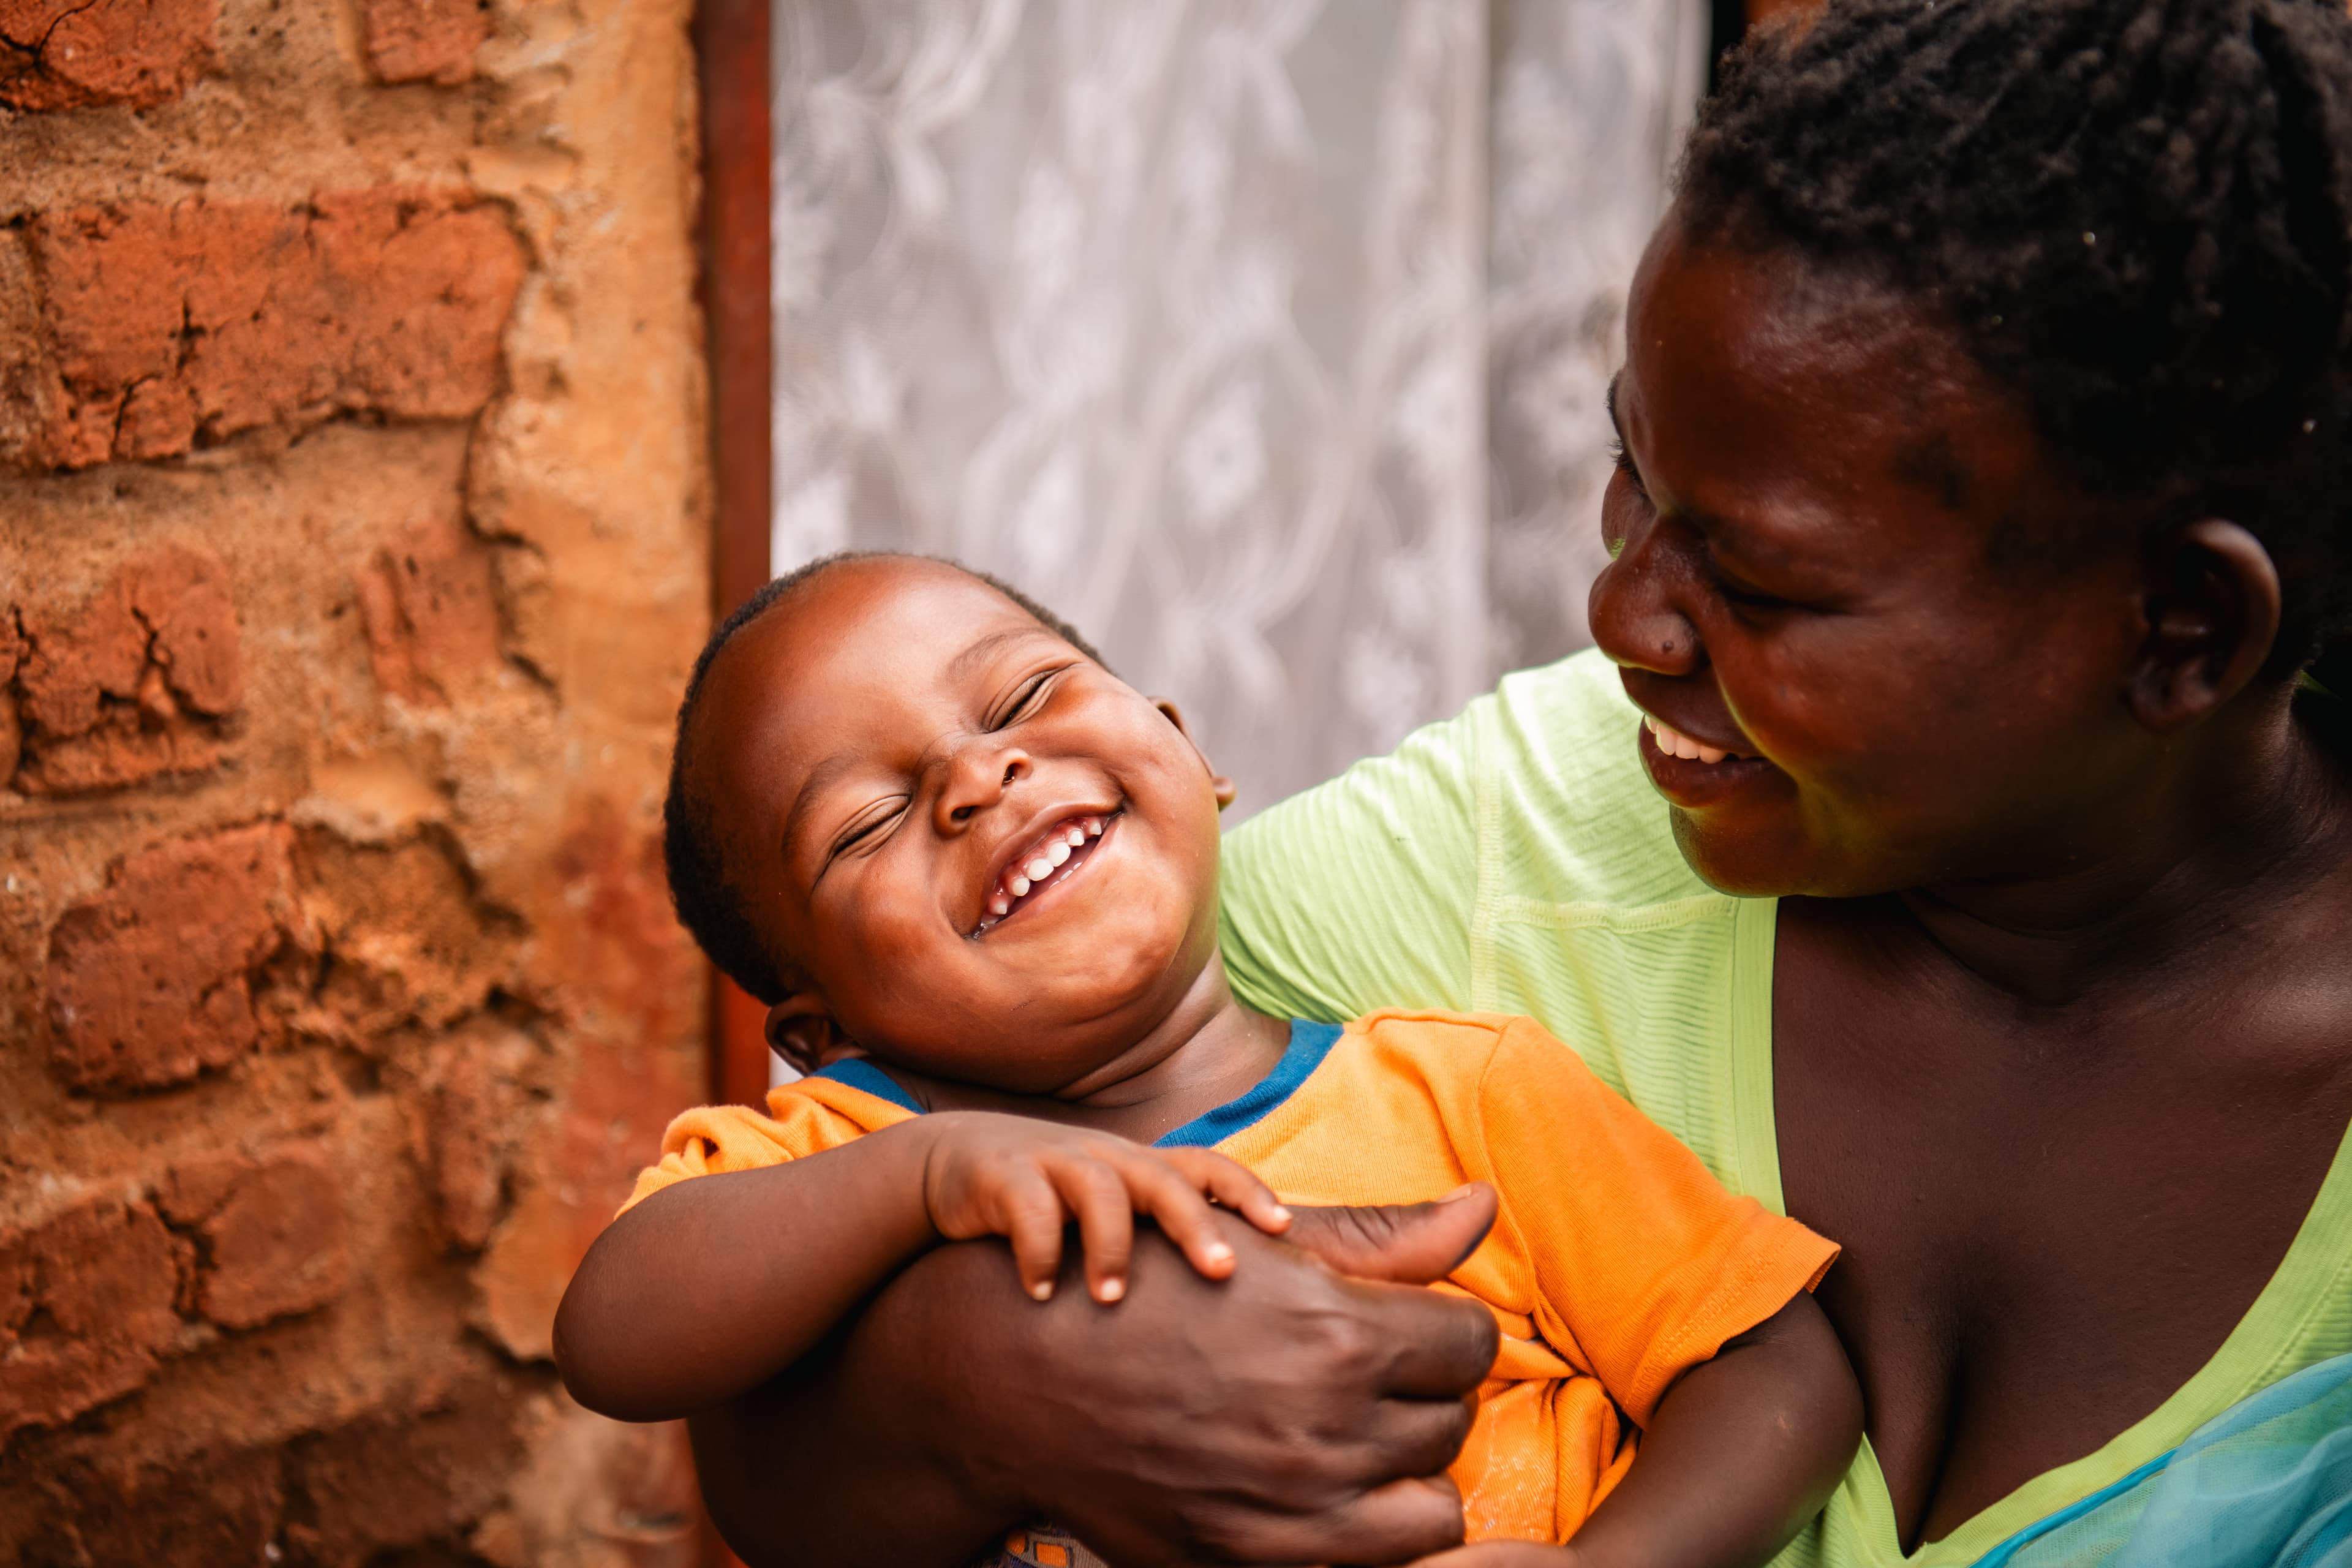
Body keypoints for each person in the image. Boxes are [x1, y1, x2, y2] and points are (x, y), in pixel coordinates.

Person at [665, 2, 2352, 1565]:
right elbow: (753, 1426)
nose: (1618, 616)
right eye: (1632, 478)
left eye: (1758, 583)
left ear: (2183, 631)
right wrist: (990, 1381)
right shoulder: (1494, 851)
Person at [552, 551, 1863, 1566]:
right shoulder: (855, 1152)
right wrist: (929, 1171)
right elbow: (616, 1332)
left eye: (1021, 694)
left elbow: (1775, 1364)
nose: (978, 773)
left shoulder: (1466, 1092)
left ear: (1188, 748)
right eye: (867, 820)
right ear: (821, 1030)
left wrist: (1620, 1559)